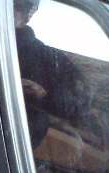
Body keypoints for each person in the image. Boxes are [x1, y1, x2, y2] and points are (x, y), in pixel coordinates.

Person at [14, 0, 88, 148]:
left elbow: (75, 107)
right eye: (9, 4)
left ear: (28, 15)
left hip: (17, 142)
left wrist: (41, 94)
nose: (11, 10)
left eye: (18, 6)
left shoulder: (47, 57)